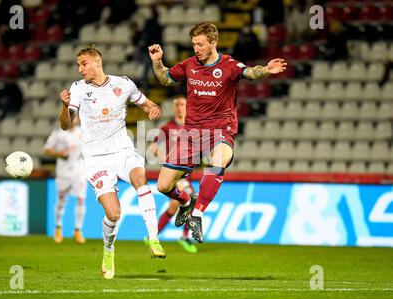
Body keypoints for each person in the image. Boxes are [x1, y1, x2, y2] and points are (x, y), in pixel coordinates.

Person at [148, 22, 287, 243]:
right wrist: (157, 63)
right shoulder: (189, 65)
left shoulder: (228, 65)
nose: (196, 49)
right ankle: (186, 201)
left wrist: (267, 70)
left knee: (219, 159)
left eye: (200, 44)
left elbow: (250, 72)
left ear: (213, 43)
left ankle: (197, 214)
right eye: (194, 44)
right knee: (163, 185)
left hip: (221, 129)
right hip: (192, 134)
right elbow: (165, 78)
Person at [59, 45, 165, 280]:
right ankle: (108, 250)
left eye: (83, 63)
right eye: (78, 64)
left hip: (122, 149)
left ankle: (154, 238)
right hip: (96, 158)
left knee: (140, 179)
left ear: (98, 62)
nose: (80, 69)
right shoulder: (78, 89)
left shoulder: (123, 84)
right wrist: (65, 106)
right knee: (114, 213)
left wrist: (153, 109)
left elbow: (147, 105)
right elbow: (66, 125)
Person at [147, 95, 198, 253]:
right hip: (174, 172)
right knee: (190, 199)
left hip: (187, 172)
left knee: (174, 205)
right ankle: (183, 237)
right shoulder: (167, 127)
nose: (179, 107)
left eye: (182, 104)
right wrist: (165, 160)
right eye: (176, 104)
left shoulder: (192, 126)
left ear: (187, 106)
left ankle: (153, 235)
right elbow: (153, 148)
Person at [43, 115, 87, 245]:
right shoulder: (58, 133)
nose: (73, 120)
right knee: (61, 200)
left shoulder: (83, 132)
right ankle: (58, 228)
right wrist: (58, 154)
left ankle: (78, 230)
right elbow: (46, 150)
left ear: (78, 119)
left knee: (80, 199)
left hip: (79, 170)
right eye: (70, 118)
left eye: (75, 118)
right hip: (63, 171)